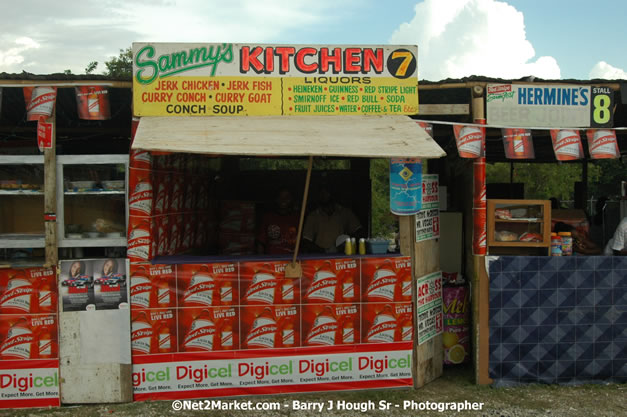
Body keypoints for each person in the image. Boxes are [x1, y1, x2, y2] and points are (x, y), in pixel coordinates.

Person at [302, 184, 364, 253]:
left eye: (326, 192)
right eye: (322, 192)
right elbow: (306, 241)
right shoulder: (313, 216)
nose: (324, 195)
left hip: (343, 257)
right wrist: (325, 251)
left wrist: (346, 242)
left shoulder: (345, 212)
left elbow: (359, 232)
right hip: (320, 257)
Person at [256, 189, 299, 255]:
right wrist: (260, 260)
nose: (283, 199)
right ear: (276, 199)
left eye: (287, 197)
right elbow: (261, 242)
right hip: (271, 260)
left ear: (291, 199)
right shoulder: (268, 217)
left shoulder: (296, 218)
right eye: (281, 197)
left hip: (291, 261)